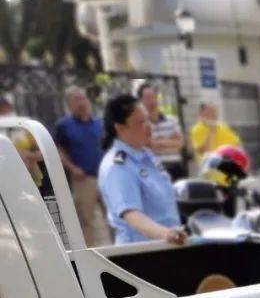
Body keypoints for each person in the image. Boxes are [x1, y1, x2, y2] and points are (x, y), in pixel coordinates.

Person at [98, 94, 187, 246]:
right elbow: (132, 215)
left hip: (165, 246)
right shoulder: (118, 166)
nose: (149, 126)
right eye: (140, 122)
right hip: (140, 251)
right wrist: (166, 234)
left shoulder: (146, 155)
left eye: (148, 119)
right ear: (119, 127)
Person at [54, 85, 108, 246]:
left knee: (115, 216)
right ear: (69, 104)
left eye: (83, 98)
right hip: (84, 179)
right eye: (76, 99)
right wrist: (72, 168)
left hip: (105, 177)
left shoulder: (99, 123)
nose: (81, 102)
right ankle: (89, 254)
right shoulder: (64, 125)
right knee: (86, 220)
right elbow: (59, 150)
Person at [137, 81, 186, 181]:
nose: (152, 101)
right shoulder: (139, 124)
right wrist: (170, 140)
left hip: (175, 168)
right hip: (152, 169)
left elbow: (180, 144)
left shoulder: (172, 120)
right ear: (140, 101)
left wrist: (156, 142)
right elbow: (145, 145)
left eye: (153, 96)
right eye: (147, 98)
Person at [0, 96, 44, 187]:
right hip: (7, 183)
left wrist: (28, 155)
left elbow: (41, 154)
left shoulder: (23, 127)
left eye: (4, 107)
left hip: (31, 180)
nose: (4, 110)